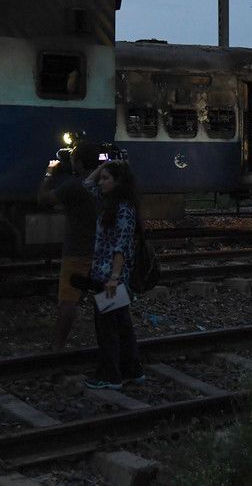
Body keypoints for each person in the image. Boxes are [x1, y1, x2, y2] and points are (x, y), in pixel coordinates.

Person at [83, 160, 144, 390]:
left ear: (118, 182)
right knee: (121, 323)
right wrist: (106, 164)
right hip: (106, 275)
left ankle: (110, 375)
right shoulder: (109, 203)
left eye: (106, 178)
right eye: (102, 178)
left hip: (111, 278)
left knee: (107, 327)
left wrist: (114, 278)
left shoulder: (124, 210)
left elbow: (121, 246)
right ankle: (133, 370)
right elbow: (87, 183)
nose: (101, 182)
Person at [37, 140, 100, 350]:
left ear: (79, 163)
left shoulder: (75, 185)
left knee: (69, 299)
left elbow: (43, 199)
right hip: (102, 251)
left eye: (73, 159)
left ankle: (57, 346)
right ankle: (113, 342)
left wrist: (49, 173)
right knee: (108, 298)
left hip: (77, 251)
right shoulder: (105, 181)